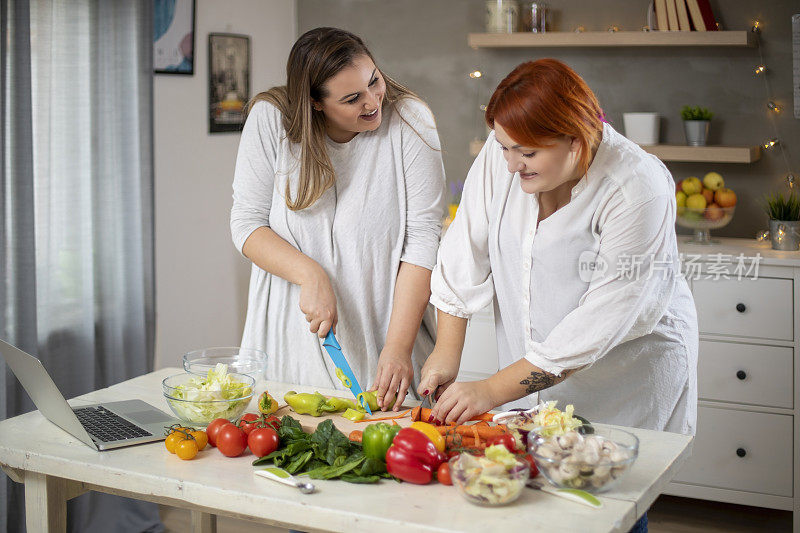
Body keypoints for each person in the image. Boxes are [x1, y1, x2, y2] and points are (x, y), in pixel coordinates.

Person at [418, 59, 698, 436]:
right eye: (504, 148)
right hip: (526, 378)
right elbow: (464, 248)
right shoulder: (513, 142)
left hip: (625, 379)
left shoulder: (637, 188)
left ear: (576, 140)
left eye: (528, 154)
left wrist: (489, 390)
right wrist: (445, 356)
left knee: (612, 482)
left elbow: (600, 321)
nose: (511, 164)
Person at [231, 27, 445, 410]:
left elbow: (424, 240)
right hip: (288, 339)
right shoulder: (271, 121)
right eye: (352, 98)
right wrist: (310, 275)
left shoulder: (410, 120)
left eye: (374, 81)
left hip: (386, 338)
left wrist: (397, 347)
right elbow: (247, 225)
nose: (372, 101)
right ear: (314, 103)